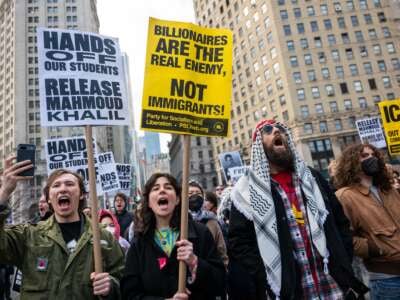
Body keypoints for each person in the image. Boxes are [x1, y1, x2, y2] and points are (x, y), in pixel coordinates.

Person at [228, 119, 367, 300]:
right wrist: (266, 274)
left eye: (281, 129)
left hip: (333, 285)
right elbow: (239, 242)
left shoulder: (312, 178)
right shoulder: (247, 190)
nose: (277, 132)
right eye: (268, 130)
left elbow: (340, 222)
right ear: (258, 146)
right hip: (290, 291)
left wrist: (342, 258)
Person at [0, 157, 125, 299]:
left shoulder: (103, 237)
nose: (63, 189)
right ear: (48, 198)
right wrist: (3, 193)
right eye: (56, 185)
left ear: (82, 195)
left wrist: (111, 286)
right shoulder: (29, 235)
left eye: (69, 184)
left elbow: (124, 281)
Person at [121, 173, 226, 300]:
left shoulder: (200, 233)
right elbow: (129, 293)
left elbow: (221, 281)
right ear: (148, 202)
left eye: (168, 187)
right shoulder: (139, 242)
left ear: (177, 199)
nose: (162, 190)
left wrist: (195, 263)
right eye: (155, 188)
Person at [335, 143, 400, 299]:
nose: (371, 159)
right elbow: (345, 238)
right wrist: (374, 249)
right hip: (387, 280)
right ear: (352, 163)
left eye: (373, 155)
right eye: (364, 156)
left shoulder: (388, 189)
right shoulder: (345, 196)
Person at [188, 181, 228, 268]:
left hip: (210, 272)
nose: (194, 195)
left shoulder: (212, 221)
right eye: (190, 193)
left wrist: (224, 270)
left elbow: (221, 250)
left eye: (198, 193)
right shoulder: (179, 221)